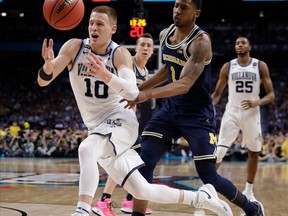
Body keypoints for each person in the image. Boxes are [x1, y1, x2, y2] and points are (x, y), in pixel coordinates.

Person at [37, 5, 233, 216]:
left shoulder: (119, 53)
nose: (94, 27)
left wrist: (106, 75)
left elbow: (132, 91)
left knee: (86, 149)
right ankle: (201, 198)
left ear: (112, 29)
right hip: (97, 128)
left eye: (100, 24)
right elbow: (43, 81)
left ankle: (82, 210)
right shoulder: (74, 47)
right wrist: (48, 67)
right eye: (91, 23)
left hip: (120, 120)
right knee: (141, 189)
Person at [122, 1, 265, 216]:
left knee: (209, 176)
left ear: (196, 13)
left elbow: (184, 83)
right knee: (144, 162)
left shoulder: (201, 41)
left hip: (197, 116)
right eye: (176, 5)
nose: (177, 11)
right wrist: (139, 90)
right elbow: (168, 68)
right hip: (170, 111)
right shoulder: (165, 34)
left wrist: (146, 94)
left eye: (184, 7)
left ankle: (252, 209)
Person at [92, 33, 154, 216]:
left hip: (129, 121)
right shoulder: (126, 65)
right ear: (136, 47)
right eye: (142, 44)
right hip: (115, 119)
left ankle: (128, 200)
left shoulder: (145, 72)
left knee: (135, 160)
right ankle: (103, 201)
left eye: (149, 46)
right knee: (123, 162)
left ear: (152, 51)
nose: (145, 48)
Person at [211, 36, 275, 202]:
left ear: (249, 46)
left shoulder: (260, 65)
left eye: (243, 42)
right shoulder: (228, 66)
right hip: (232, 111)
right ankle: (209, 188)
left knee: (253, 153)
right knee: (219, 151)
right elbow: (217, 94)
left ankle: (249, 190)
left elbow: (272, 95)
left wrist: (257, 102)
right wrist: (208, 107)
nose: (240, 45)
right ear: (235, 47)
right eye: (237, 43)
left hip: (252, 113)